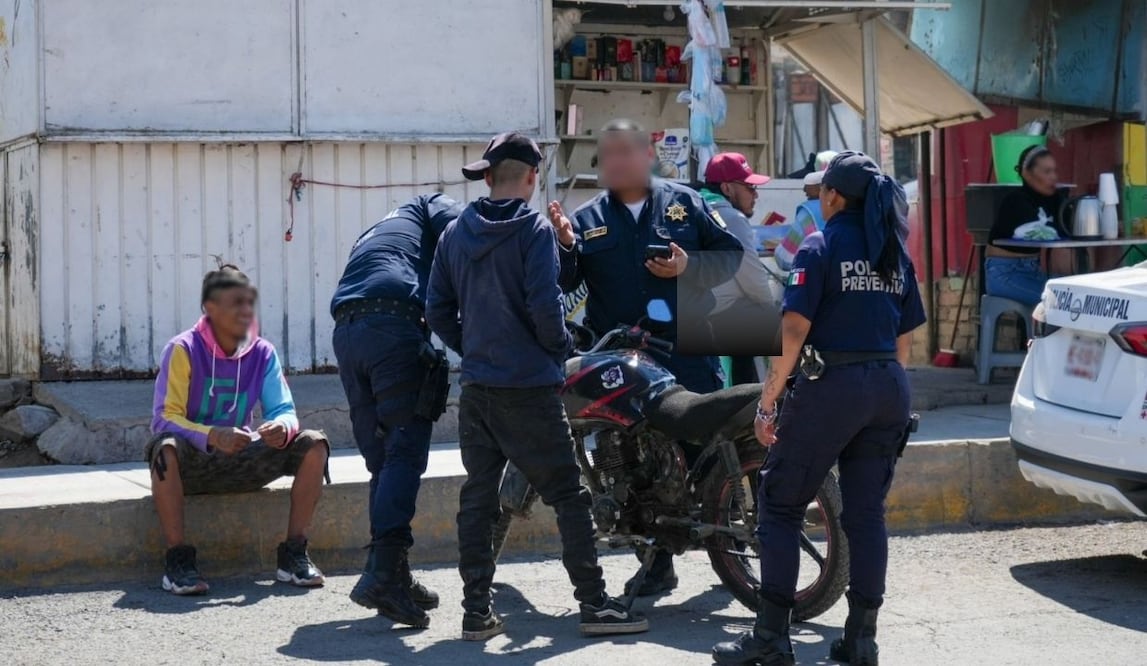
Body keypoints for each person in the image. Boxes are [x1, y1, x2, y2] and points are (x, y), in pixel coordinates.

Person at [426, 132, 648, 640]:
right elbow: (546, 309)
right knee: (569, 496)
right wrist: (557, 349)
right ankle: (595, 605)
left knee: (478, 498)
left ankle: (476, 612)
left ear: (487, 176)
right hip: (527, 388)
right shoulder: (533, 231)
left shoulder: (455, 233)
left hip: (478, 389)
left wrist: (475, 347)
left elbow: (436, 308)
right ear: (531, 176)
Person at [712, 152, 926, 666]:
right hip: (888, 389)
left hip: (834, 385)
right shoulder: (893, 251)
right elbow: (904, 343)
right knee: (866, 515)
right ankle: (861, 640)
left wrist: (768, 402)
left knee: (781, 504)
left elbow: (793, 331)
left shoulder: (820, 244)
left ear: (831, 196)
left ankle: (770, 638)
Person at [548, 118, 743, 596]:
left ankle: (737, 543)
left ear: (647, 156)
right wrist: (566, 246)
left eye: (628, 152)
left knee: (712, 446)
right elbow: (565, 283)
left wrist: (688, 266)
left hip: (685, 350)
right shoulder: (588, 218)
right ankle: (657, 563)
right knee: (635, 463)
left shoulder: (685, 202)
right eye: (609, 155)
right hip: (624, 361)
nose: (618, 162)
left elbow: (733, 256)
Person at [147, 265, 329, 596]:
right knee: (165, 447)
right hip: (193, 463)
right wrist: (212, 436)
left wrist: (280, 428)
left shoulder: (262, 352)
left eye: (247, 302)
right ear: (210, 308)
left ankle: (293, 556)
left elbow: (285, 410)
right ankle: (178, 562)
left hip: (242, 457)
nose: (244, 311)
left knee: (313, 443)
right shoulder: (182, 349)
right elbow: (163, 418)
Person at [330, 194, 463, 628]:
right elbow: (469, 233)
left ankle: (394, 573)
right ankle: (383, 574)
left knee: (384, 462)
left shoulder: (381, 233)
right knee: (405, 452)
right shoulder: (428, 205)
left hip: (349, 333)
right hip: (393, 325)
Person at [698, 152, 783, 383]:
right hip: (718, 320)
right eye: (748, 187)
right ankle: (752, 402)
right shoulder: (731, 218)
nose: (755, 194)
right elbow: (754, 282)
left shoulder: (693, 206)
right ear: (726, 188)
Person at [986, 145, 1066, 305]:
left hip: (1033, 270)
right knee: (1059, 301)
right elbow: (1045, 232)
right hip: (1005, 274)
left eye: (1054, 171)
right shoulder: (1016, 201)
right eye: (1046, 172)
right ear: (1027, 173)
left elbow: (1067, 225)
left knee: (1076, 291)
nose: (1053, 177)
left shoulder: (1053, 199)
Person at [774, 169, 828, 271]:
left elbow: (785, 258)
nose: (803, 190)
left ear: (821, 187)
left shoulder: (808, 213)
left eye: (807, 186)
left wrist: (778, 249)